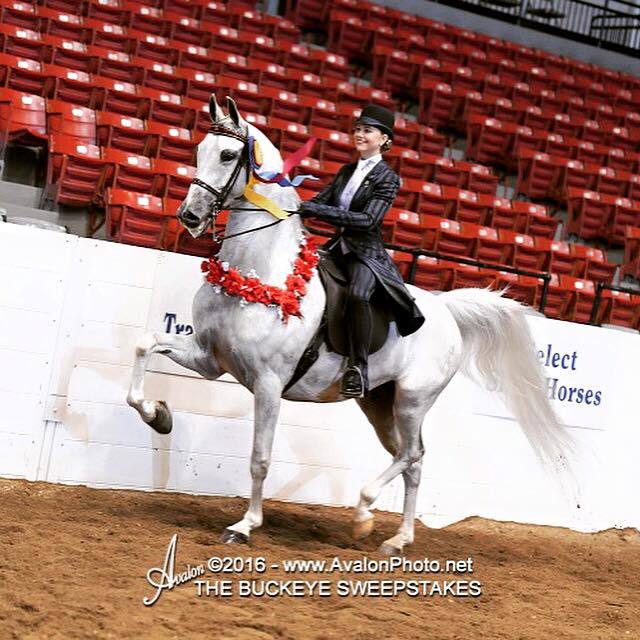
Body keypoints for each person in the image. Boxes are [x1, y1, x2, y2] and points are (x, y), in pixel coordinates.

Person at [298, 104, 425, 399]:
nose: (359, 134)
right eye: (357, 129)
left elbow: (368, 220)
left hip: (365, 252)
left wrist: (316, 210)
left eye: (367, 130)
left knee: (357, 295)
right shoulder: (346, 171)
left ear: (384, 139)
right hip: (337, 247)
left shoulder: (387, 178)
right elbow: (319, 201)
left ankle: (358, 368)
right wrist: (291, 201)